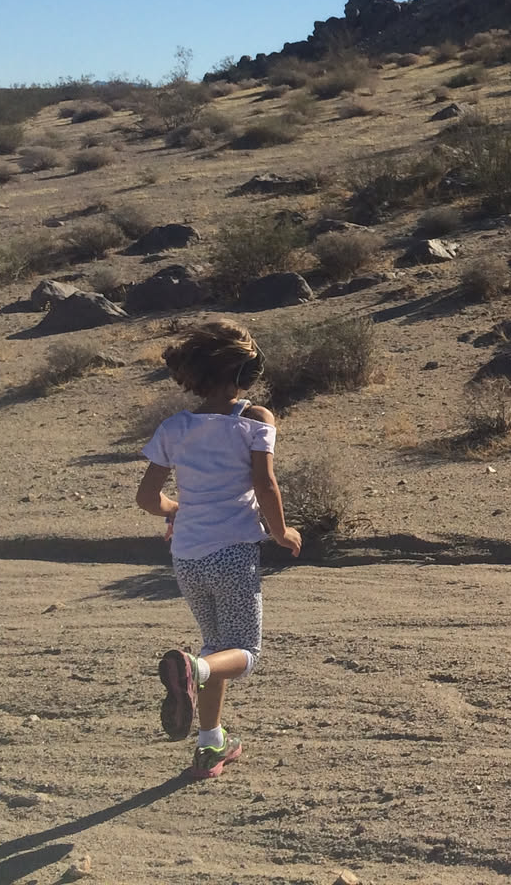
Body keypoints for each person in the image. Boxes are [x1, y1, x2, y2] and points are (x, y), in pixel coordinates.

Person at [135, 318, 302, 780]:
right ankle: (192, 669)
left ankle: (211, 744)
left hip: (187, 557)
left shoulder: (174, 427)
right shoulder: (255, 419)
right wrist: (282, 532)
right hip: (232, 553)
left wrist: (176, 510)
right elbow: (265, 485)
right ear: (243, 371)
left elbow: (147, 498)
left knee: (215, 649)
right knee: (244, 651)